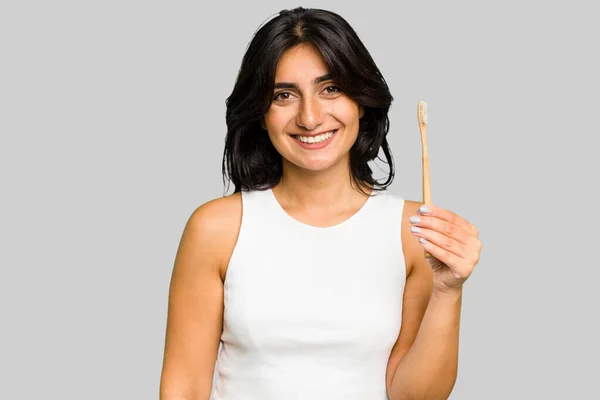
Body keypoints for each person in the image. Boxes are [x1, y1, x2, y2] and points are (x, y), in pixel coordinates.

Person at [159, 6, 482, 400]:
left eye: (331, 89)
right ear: (261, 114)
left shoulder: (413, 230)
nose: (310, 117)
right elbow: (184, 389)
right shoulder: (216, 229)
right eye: (283, 95)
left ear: (361, 101)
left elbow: (414, 395)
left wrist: (448, 291)